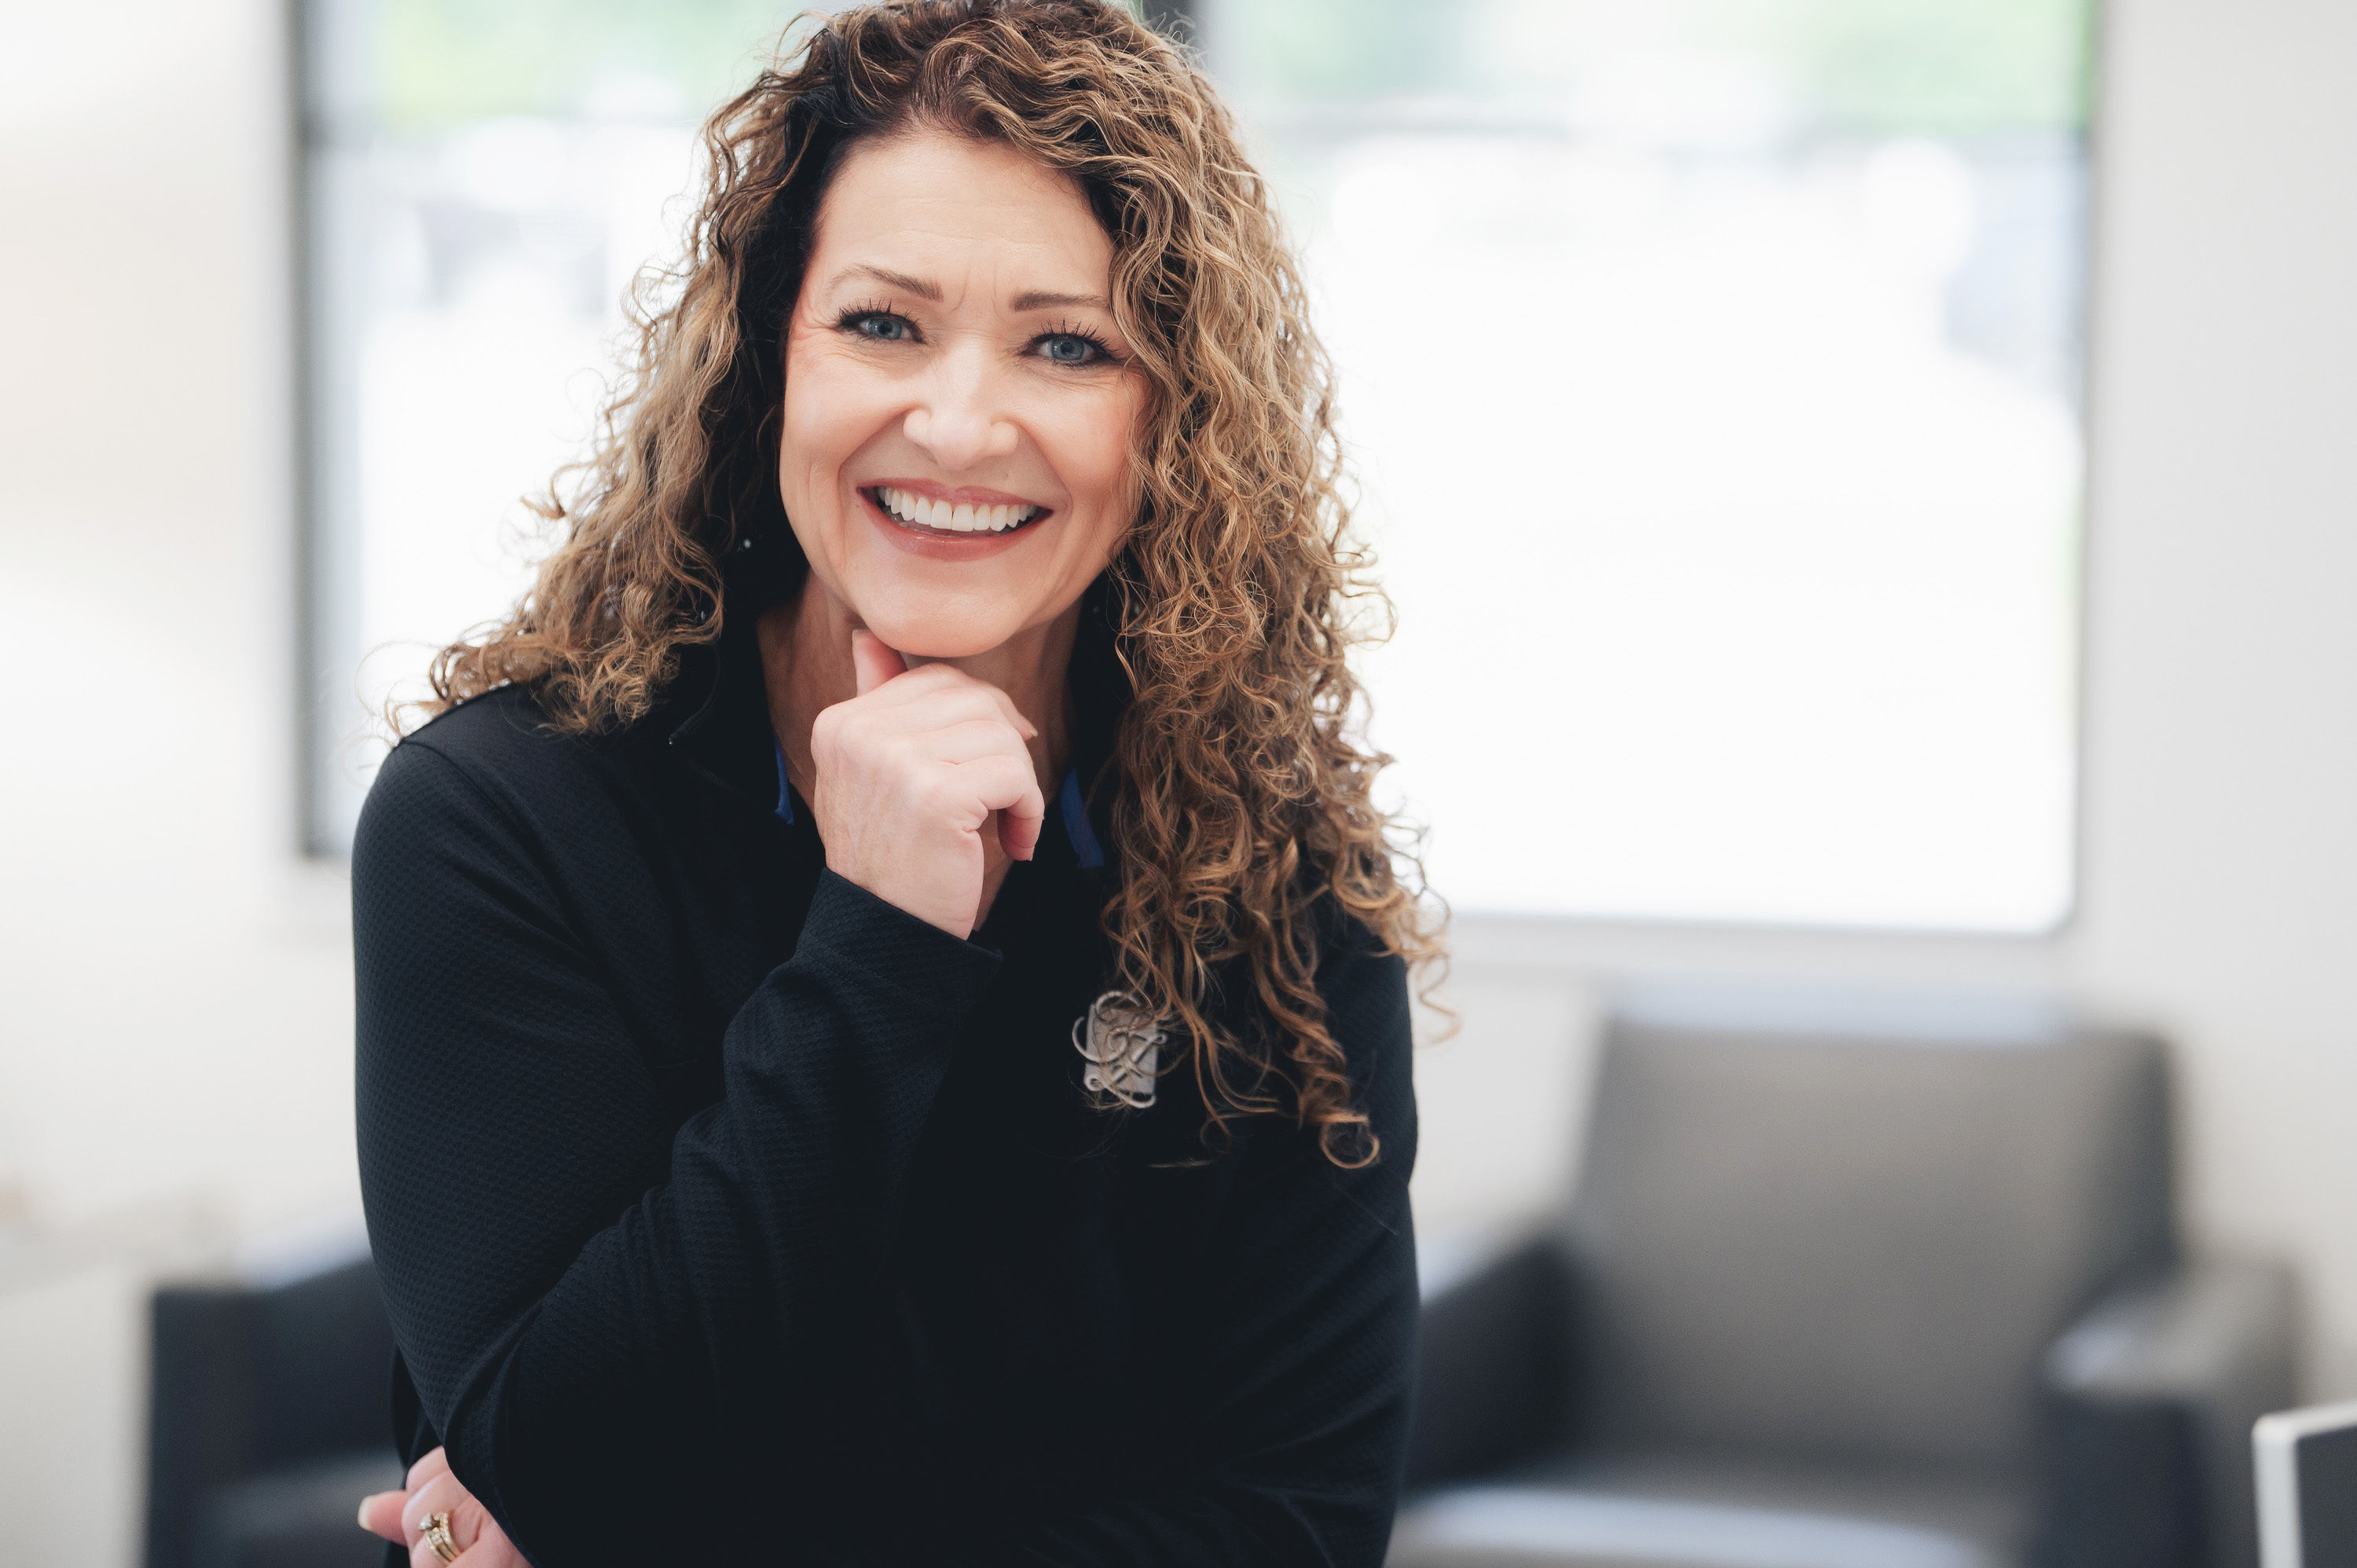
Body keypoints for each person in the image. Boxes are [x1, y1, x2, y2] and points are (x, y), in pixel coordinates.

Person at [350, 2, 1438, 1563]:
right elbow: (577, 1450)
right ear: (768, 353)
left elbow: (1300, 1518)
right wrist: (876, 939)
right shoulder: (504, 818)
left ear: (1171, 417)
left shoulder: (1273, 877)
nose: (956, 421)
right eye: (883, 323)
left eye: (1067, 343)